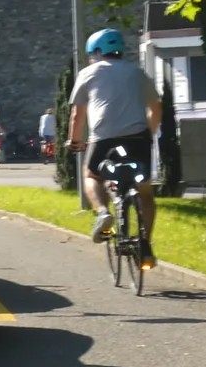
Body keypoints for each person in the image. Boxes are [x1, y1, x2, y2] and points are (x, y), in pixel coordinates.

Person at [66, 29, 163, 258]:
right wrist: (149, 133)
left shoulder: (88, 73)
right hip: (138, 138)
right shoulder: (136, 73)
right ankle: (145, 246)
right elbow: (157, 107)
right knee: (145, 193)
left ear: (98, 52)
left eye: (92, 54)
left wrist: (75, 140)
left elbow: (77, 115)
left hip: (103, 138)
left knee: (91, 175)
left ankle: (102, 213)